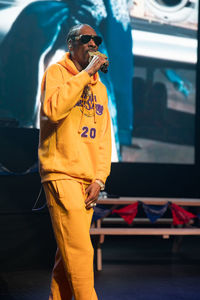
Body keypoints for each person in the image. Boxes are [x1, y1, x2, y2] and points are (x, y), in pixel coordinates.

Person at [38, 23, 112, 300]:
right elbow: (53, 110)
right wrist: (86, 74)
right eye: (86, 39)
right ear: (71, 44)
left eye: (97, 39)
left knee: (66, 254)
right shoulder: (56, 73)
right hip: (61, 173)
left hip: (86, 180)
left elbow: (105, 139)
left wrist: (99, 178)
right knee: (80, 250)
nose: (93, 43)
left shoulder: (100, 90)